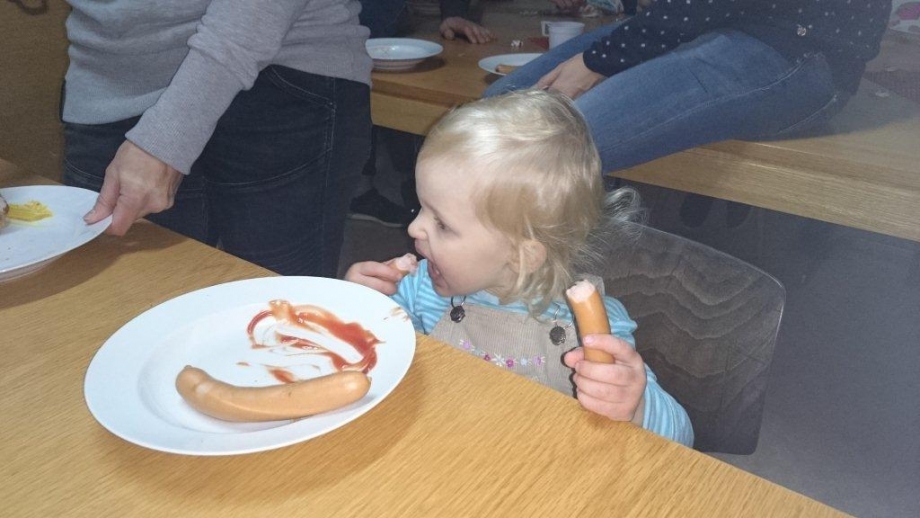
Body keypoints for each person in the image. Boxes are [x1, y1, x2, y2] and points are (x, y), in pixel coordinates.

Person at [346, 90, 694, 445]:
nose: (414, 229)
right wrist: (358, 307)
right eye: (421, 208)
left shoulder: (591, 329)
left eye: (442, 224)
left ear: (521, 256)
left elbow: (681, 438)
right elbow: (373, 360)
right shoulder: (417, 290)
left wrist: (635, 406)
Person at [484, 0, 890, 226]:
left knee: (544, 146)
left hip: (800, 51)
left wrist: (599, 61)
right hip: (713, 24)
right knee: (495, 109)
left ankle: (512, 304)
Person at [61, 1, 373, 278]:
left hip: (280, 67)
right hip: (106, 75)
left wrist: (167, 137)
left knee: (280, 307)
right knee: (111, 307)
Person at [351, 0, 494, 228]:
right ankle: (360, 191)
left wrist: (453, 12)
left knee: (408, 96)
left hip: (390, 28)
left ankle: (413, 184)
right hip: (339, 35)